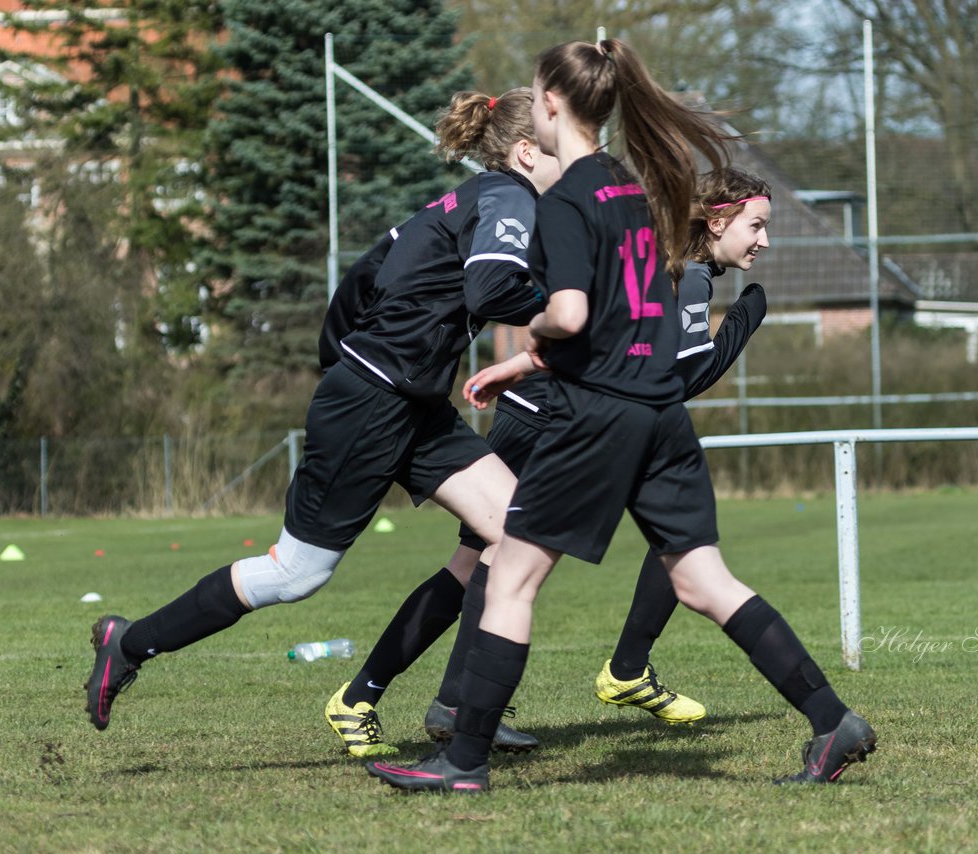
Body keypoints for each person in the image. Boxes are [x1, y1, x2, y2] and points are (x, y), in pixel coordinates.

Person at [365, 38, 875, 794]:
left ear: (550, 104)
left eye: (536, 94)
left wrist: (533, 335)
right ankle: (833, 720)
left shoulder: (569, 196)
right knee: (705, 583)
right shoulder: (632, 187)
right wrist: (523, 365)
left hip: (599, 417)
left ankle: (463, 759)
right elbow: (623, 316)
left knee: (507, 578)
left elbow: (571, 313)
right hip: (659, 413)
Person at [83, 88, 561, 733]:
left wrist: (345, 360)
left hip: (406, 401)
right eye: (569, 138)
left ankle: (461, 709)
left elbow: (366, 273)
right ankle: (129, 642)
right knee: (295, 573)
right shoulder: (508, 197)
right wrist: (565, 315)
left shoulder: (471, 200)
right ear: (527, 152)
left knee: (516, 531)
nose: (583, 153)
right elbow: (491, 286)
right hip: (372, 402)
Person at [326, 166, 773, 759]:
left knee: (506, 560)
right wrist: (745, 321)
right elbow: (688, 375)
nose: (764, 241)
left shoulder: (678, 269)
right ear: (718, 220)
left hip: (551, 410)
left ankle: (379, 696)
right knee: (496, 562)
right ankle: (432, 699)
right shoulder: (688, 278)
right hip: (554, 417)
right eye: (757, 225)